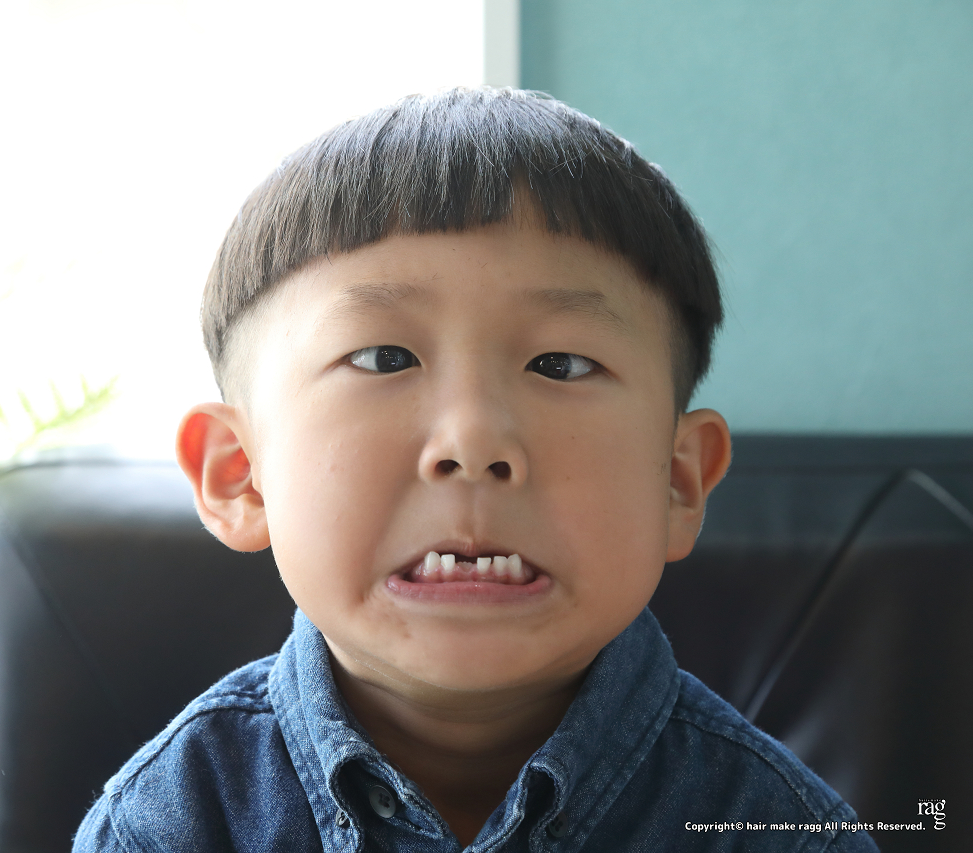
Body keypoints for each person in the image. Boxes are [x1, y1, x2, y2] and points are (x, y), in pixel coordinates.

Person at [73, 87, 878, 852]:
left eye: (560, 364)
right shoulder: (165, 824)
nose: (473, 439)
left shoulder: (782, 830)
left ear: (677, 481)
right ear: (241, 474)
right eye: (384, 357)